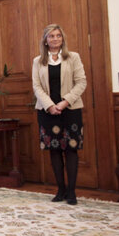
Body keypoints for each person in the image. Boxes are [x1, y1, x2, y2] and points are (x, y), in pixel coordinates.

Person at [32, 24, 87, 205]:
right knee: (54, 150)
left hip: (70, 110)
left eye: (58, 36)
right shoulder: (38, 61)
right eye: (51, 36)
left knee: (71, 150)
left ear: (62, 39)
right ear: (45, 40)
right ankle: (60, 190)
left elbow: (81, 83)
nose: (55, 39)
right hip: (47, 112)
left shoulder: (73, 58)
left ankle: (71, 192)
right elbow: (37, 86)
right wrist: (49, 106)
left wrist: (64, 102)